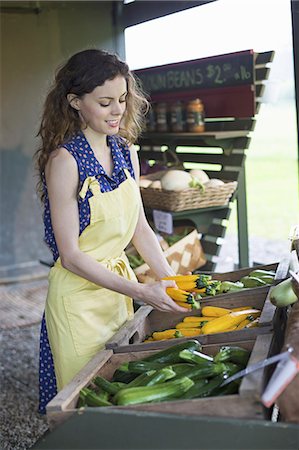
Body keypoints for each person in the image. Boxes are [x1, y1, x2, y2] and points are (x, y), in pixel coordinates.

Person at [34, 49, 187, 414]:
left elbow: (140, 228)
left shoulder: (125, 152)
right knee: (84, 403)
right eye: (105, 102)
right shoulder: (64, 162)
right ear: (75, 102)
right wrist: (140, 290)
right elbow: (70, 256)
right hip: (78, 302)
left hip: (116, 291)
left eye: (122, 99)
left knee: (120, 393)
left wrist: (172, 282)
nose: (117, 110)